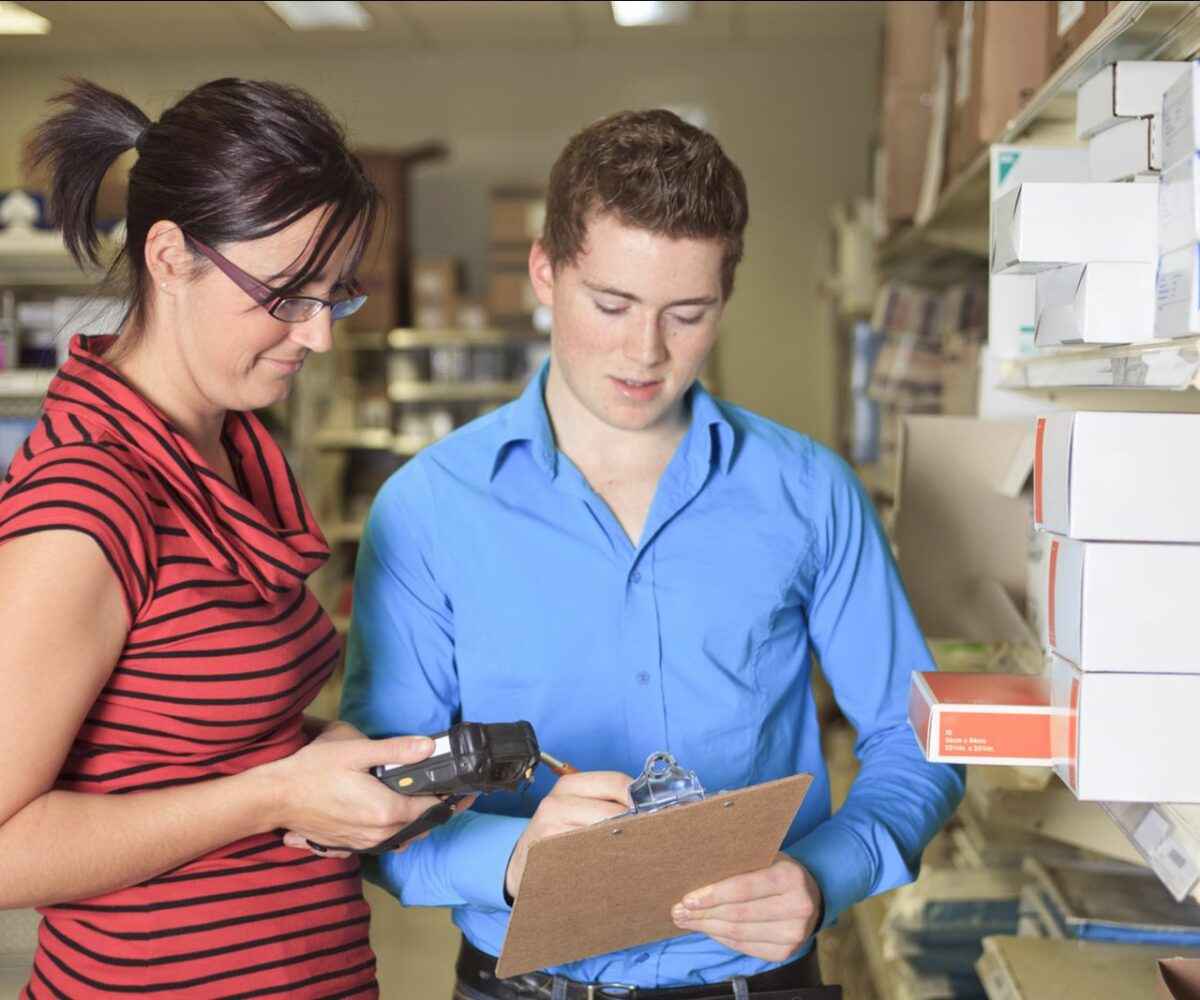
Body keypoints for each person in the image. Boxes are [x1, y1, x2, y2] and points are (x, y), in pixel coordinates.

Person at [339, 109, 964, 999]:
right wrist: (515, 856)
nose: (645, 352)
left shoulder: (810, 492)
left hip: (756, 981)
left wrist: (827, 876)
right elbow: (375, 791)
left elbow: (917, 736)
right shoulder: (430, 510)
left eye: (687, 313)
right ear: (546, 274)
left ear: (724, 301)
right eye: (612, 305)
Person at [0, 78, 445, 998]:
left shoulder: (230, 449)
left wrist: (344, 766)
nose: (318, 335)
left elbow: (185, 738)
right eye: (286, 295)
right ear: (169, 257)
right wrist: (276, 793)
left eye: (336, 295)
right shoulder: (90, 500)